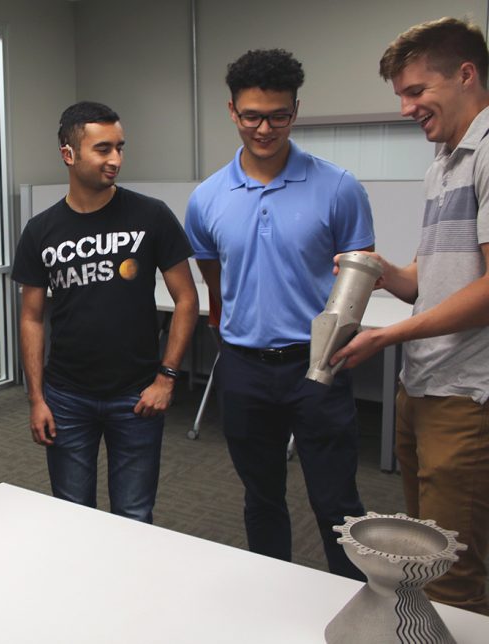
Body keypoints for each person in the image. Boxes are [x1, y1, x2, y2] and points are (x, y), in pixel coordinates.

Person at [184, 49, 374, 580]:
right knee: (261, 496)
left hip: (319, 365)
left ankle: (356, 606)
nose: (264, 128)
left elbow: (355, 281)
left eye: (279, 116)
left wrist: (335, 351)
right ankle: (275, 597)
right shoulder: (207, 198)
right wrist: (231, 324)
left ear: (295, 110)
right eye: (252, 116)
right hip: (243, 369)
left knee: (336, 501)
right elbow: (213, 281)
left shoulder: (338, 187)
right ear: (232, 111)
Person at [332, 17, 489, 614]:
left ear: (466, 74)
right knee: (420, 556)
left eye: (417, 91)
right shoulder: (443, 163)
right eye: (401, 94)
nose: (406, 107)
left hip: (466, 396)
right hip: (422, 386)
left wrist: (391, 335)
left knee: (452, 571)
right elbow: (432, 277)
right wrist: (378, 269)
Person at [12, 101, 198, 524]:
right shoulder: (41, 230)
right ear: (69, 154)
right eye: (103, 149)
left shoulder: (150, 215)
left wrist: (167, 378)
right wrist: (36, 398)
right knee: (74, 515)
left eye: (119, 147)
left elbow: (187, 299)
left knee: (134, 514)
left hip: (136, 397)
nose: (115, 159)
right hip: (66, 397)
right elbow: (31, 317)